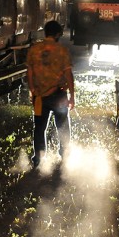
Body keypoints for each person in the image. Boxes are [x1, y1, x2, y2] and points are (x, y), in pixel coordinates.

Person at [26, 20, 75, 167]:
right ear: (58, 34)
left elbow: (29, 72)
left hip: (40, 97)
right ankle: (64, 154)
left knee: (39, 127)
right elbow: (68, 75)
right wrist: (72, 95)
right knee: (62, 125)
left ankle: (38, 157)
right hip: (58, 95)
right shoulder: (62, 51)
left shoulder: (34, 50)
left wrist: (33, 90)